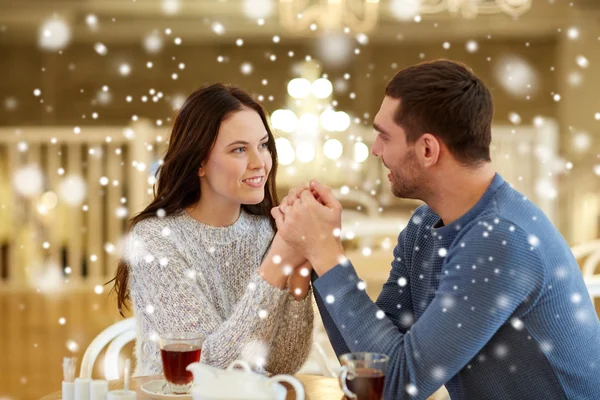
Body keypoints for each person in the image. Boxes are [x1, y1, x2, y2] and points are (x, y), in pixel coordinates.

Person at [273, 60, 600, 399]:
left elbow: (398, 383)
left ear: (428, 149)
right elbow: (369, 363)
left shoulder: (501, 238)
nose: (375, 149)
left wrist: (326, 253)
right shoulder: (424, 226)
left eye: (385, 136)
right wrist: (318, 249)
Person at [111, 84, 313, 377]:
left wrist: (300, 270)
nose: (260, 163)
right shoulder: (154, 241)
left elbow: (282, 365)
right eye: (240, 149)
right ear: (200, 162)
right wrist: (279, 259)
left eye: (263, 145)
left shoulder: (268, 233)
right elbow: (203, 373)